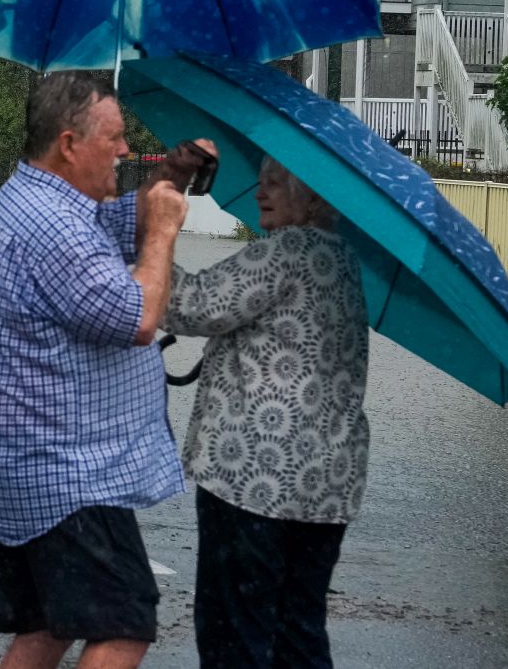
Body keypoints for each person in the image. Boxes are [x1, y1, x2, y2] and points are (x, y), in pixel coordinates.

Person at [0, 71, 209, 669]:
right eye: (115, 138)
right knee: (125, 623)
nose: (126, 150)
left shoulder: (38, 197)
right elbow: (137, 317)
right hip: (63, 471)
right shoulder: (52, 226)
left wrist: (172, 177)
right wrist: (163, 229)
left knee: (49, 626)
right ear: (71, 143)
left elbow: (109, 227)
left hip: (28, 458)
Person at [162, 157, 369, 669]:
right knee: (297, 631)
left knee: (235, 631)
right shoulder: (344, 260)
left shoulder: (288, 251)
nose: (261, 189)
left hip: (255, 478)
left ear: (316, 198)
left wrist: (156, 238)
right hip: (325, 487)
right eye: (262, 177)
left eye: (279, 179)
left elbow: (191, 304)